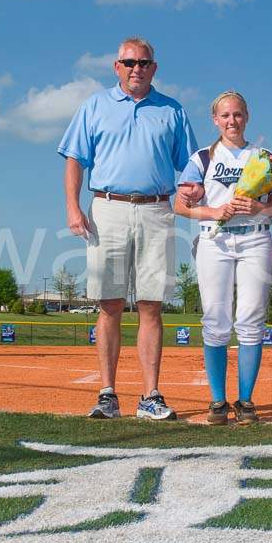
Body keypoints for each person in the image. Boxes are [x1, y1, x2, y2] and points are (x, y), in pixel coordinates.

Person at [59, 36, 198, 421]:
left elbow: (189, 167)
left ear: (155, 68)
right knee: (109, 304)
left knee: (152, 304)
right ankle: (107, 394)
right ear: (116, 66)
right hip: (107, 208)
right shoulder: (94, 106)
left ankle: (150, 395)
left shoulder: (172, 111)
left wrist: (197, 188)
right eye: (130, 62)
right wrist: (73, 207)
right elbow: (75, 160)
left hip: (157, 209)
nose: (137, 68)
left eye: (145, 63)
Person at [173, 90, 272, 425]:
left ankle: (246, 401)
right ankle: (217, 402)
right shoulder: (202, 158)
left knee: (252, 319)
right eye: (225, 116)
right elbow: (181, 205)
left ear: (247, 116)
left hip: (255, 240)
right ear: (215, 120)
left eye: (237, 115)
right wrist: (214, 210)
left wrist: (261, 208)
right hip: (216, 241)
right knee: (215, 319)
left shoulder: (266, 158)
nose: (232, 121)